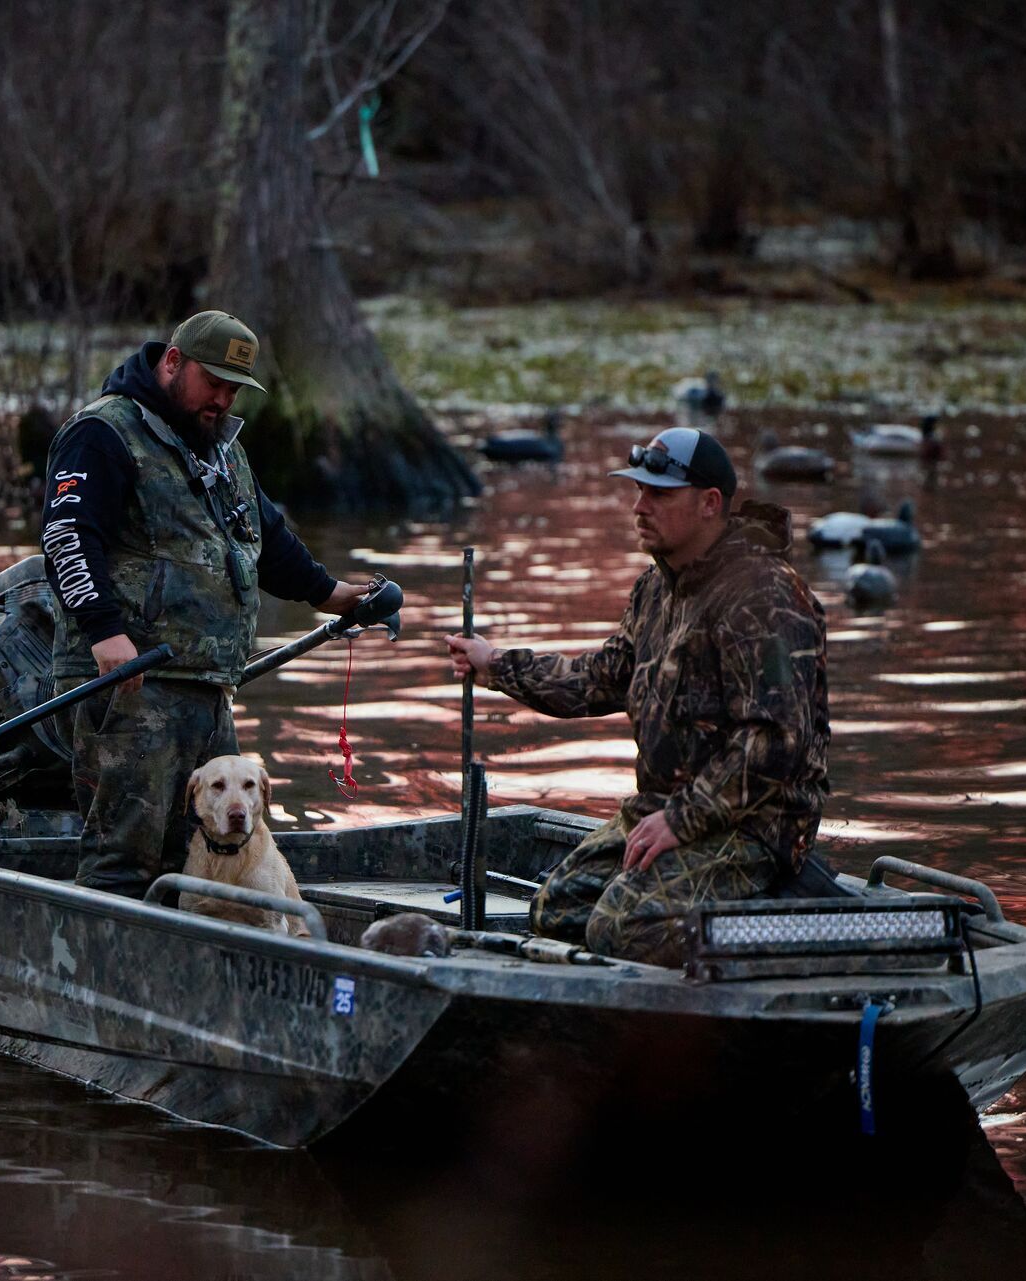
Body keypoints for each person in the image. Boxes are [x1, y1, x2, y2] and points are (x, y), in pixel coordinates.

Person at [445, 427, 829, 966]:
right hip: (663, 811)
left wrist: (679, 821)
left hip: (754, 827)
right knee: (557, 910)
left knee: (620, 929)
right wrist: (497, 667)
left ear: (709, 504)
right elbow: (601, 679)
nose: (639, 505)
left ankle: (783, 938)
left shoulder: (763, 595)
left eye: (659, 494)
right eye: (638, 490)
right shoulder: (656, 589)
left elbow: (775, 743)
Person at [41, 311, 373, 897]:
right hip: (132, 683)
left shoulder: (220, 449)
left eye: (233, 388)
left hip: (209, 685)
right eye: (212, 382)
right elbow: (67, 536)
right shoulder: (104, 433)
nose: (221, 399)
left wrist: (334, 595)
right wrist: (102, 631)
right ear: (172, 362)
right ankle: (113, 978)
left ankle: (214, 976)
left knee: (224, 851)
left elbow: (268, 539)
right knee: (128, 857)